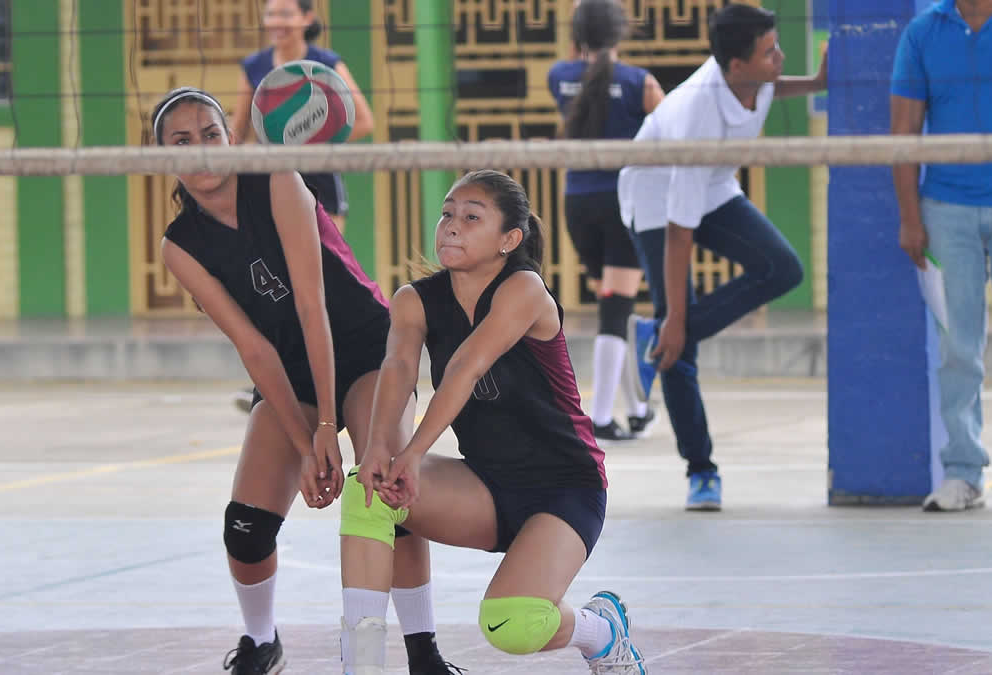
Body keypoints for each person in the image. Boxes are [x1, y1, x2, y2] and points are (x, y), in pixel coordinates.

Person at [152, 87, 457, 675]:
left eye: (211, 135)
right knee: (244, 529)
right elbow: (254, 346)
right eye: (181, 141)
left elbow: (312, 307)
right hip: (290, 375)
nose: (201, 151)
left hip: (368, 349)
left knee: (386, 484)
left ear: (230, 139)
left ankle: (423, 651)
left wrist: (327, 426)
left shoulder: (277, 180)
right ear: (160, 156)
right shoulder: (179, 245)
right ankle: (261, 640)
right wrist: (303, 441)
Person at [337, 170, 645, 674]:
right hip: (485, 486)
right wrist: (375, 447)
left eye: (472, 217)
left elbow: (465, 366)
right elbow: (395, 371)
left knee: (513, 623)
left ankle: (603, 631)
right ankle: (362, 667)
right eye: (448, 214)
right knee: (367, 489)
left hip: (564, 489)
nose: (452, 226)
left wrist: (412, 453)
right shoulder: (414, 300)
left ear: (509, 240)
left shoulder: (523, 288)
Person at [617, 4, 826, 510]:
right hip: (656, 201)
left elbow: (774, 83)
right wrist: (678, 320)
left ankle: (657, 334)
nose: (778, 57)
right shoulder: (697, 117)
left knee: (783, 269)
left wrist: (817, 82)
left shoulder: (754, 77)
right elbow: (678, 232)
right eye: (769, 52)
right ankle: (701, 470)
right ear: (735, 66)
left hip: (714, 189)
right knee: (679, 348)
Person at [229, 0, 375, 416]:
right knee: (279, 282)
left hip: (320, 185)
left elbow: (362, 120)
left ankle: (339, 367)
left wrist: (310, 136)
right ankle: (279, 374)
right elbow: (239, 132)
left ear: (307, 19)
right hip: (272, 185)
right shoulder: (254, 66)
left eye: (285, 13)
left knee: (323, 279)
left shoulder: (324, 64)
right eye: (271, 13)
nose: (276, 21)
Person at [891, 0, 992, 512]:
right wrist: (910, 218)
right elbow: (903, 134)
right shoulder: (922, 33)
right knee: (958, 349)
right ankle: (963, 471)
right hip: (946, 210)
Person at [547, 0, 664, 442]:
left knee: (615, 302)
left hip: (578, 205)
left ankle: (636, 409)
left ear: (577, 37)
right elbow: (674, 133)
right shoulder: (639, 82)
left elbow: (581, 74)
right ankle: (598, 418)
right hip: (622, 204)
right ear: (621, 34)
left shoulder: (559, 76)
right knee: (616, 308)